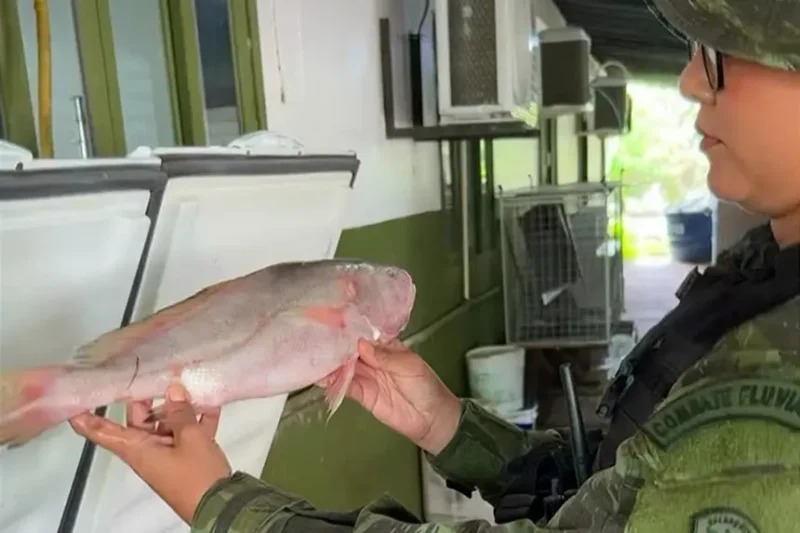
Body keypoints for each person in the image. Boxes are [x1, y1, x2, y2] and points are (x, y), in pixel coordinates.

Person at [69, 0, 800, 531]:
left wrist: (223, 503)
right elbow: (620, 494)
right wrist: (449, 424)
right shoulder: (765, 274)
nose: (691, 81)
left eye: (719, 52)